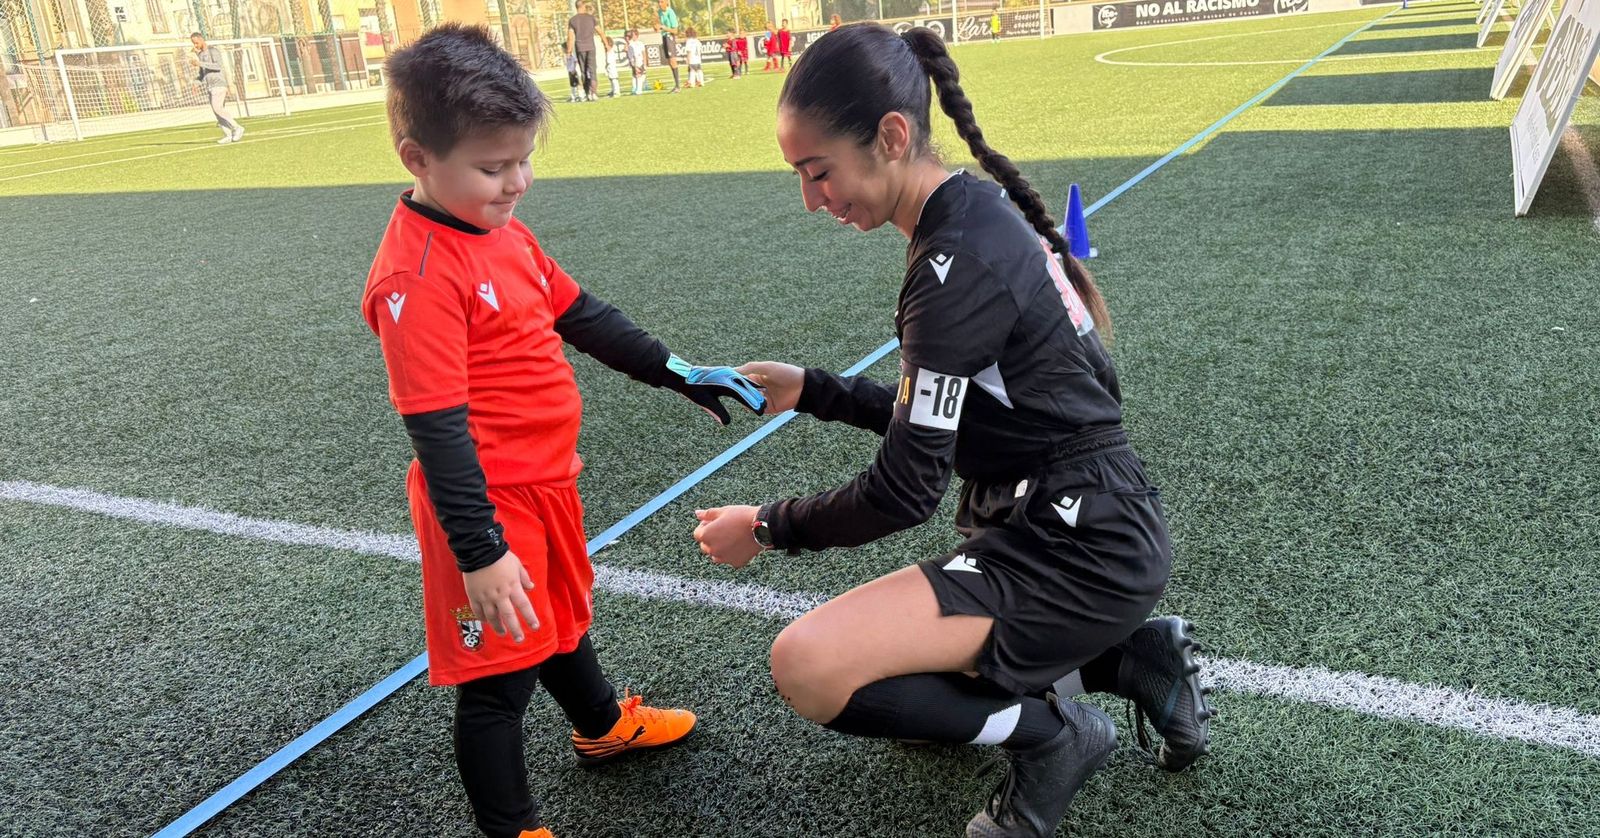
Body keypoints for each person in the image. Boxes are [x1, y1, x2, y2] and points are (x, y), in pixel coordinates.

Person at [691, 23, 1213, 838]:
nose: (812, 199)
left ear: (892, 136)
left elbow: (905, 488)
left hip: (1075, 546)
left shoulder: (954, 264)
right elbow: (948, 410)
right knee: (905, 699)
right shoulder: (968, 218)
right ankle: (1128, 659)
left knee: (810, 667)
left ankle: (1057, 736)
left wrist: (764, 526)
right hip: (1078, 518)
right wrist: (814, 392)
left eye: (818, 170)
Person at [365, 24, 763, 838]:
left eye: (522, 159)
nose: (517, 182)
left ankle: (601, 726)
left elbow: (580, 313)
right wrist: (479, 550)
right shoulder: (416, 277)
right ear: (418, 160)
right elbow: (436, 429)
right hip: (484, 505)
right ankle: (513, 829)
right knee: (496, 682)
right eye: (492, 167)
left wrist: (678, 370)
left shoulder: (503, 231)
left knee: (560, 619)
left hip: (548, 483)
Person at [188, 33, 243, 144]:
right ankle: (227, 135)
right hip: (210, 86)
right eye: (193, 43)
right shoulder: (200, 55)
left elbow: (218, 66)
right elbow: (202, 73)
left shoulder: (213, 51)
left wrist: (200, 63)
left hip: (219, 84)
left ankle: (237, 127)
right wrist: (196, 83)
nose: (195, 45)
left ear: (202, 40)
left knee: (217, 108)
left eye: (196, 43)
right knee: (216, 112)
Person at [566, 2, 598, 101]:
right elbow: (600, 31)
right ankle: (594, 93)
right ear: (583, 6)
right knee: (592, 71)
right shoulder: (591, 18)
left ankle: (587, 93)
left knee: (583, 71)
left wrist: (569, 51)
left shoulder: (573, 20)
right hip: (591, 46)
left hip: (580, 47)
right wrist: (606, 43)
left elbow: (570, 37)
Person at [656, 0, 682, 92]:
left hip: (670, 37)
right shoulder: (659, 12)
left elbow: (675, 31)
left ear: (666, 2)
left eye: (661, 2)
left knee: (673, 60)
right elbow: (659, 26)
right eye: (658, 2)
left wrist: (664, 28)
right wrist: (657, 27)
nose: (659, 4)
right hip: (664, 36)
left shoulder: (670, 12)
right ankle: (676, 85)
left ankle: (678, 86)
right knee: (669, 62)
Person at [599, 32, 621, 97]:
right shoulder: (607, 51)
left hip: (612, 67)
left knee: (614, 79)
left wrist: (606, 64)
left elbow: (609, 60)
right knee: (611, 79)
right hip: (609, 67)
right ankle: (613, 90)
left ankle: (617, 92)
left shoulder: (610, 50)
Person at [627, 28, 648, 94]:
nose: (632, 36)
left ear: (636, 35)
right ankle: (635, 88)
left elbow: (644, 53)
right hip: (633, 60)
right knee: (634, 75)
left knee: (639, 74)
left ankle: (639, 89)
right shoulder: (630, 44)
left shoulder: (640, 43)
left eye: (633, 35)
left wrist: (645, 64)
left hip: (639, 60)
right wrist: (631, 62)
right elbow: (630, 54)